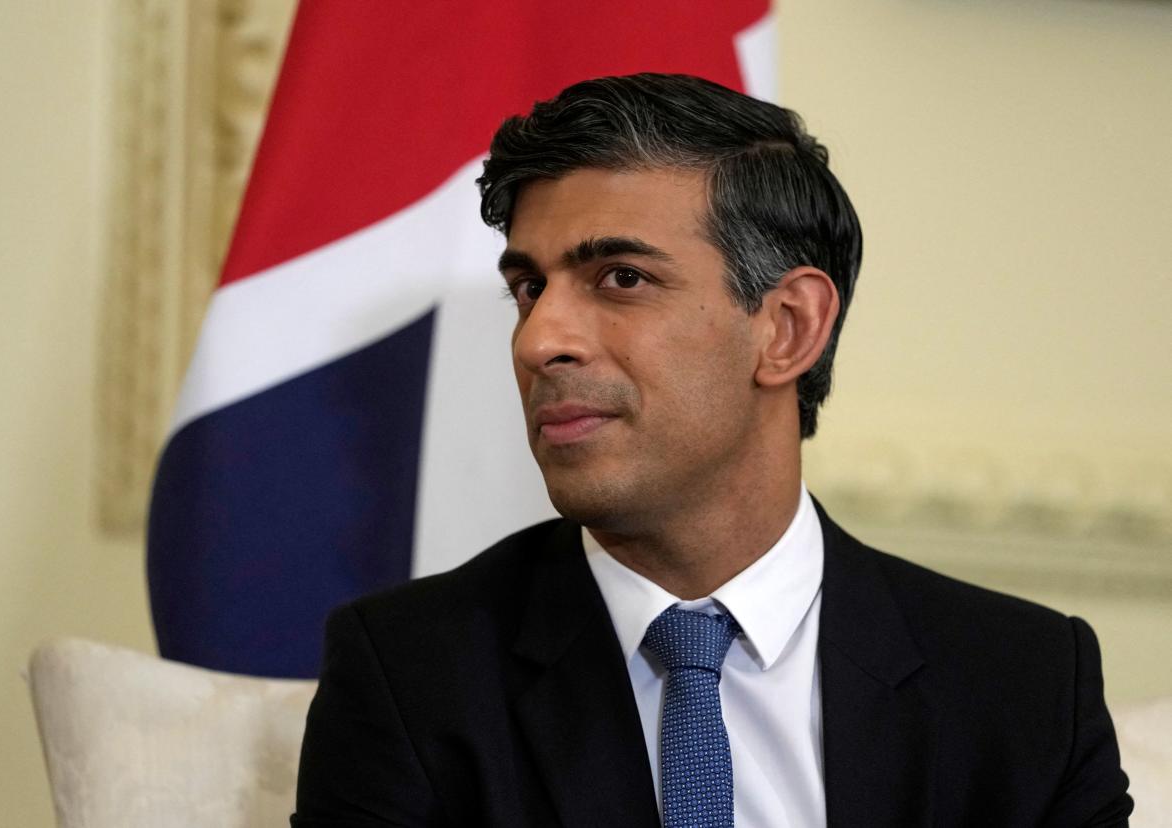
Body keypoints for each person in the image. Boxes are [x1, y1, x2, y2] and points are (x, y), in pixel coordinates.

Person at [291, 74, 1131, 827]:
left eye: (621, 277)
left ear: (786, 328)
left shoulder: (1022, 686)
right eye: (529, 288)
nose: (539, 339)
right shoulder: (412, 675)